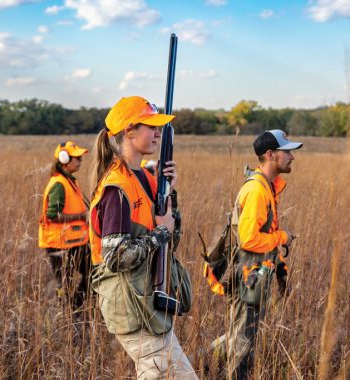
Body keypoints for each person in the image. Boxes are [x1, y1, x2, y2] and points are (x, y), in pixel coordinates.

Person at [89, 96, 198, 379]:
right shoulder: (116, 187)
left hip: (148, 304)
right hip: (132, 308)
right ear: (129, 131)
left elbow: (171, 241)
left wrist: (168, 194)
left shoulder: (146, 179)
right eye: (150, 126)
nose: (158, 132)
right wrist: (160, 232)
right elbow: (115, 258)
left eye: (158, 127)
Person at [212, 130, 303, 379]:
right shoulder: (257, 191)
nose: (292, 157)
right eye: (287, 152)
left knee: (240, 339)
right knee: (242, 346)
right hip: (247, 280)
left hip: (253, 278)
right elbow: (249, 239)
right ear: (270, 155)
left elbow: (263, 234)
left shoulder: (267, 187)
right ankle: (198, 363)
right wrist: (283, 237)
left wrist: (280, 267)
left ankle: (199, 362)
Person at [39, 141, 91, 310]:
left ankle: (75, 307)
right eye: (77, 158)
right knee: (64, 284)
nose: (81, 160)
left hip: (74, 242)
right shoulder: (58, 184)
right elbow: (52, 216)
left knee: (94, 273)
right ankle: (67, 317)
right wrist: (82, 216)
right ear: (65, 159)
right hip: (59, 243)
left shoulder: (69, 181)